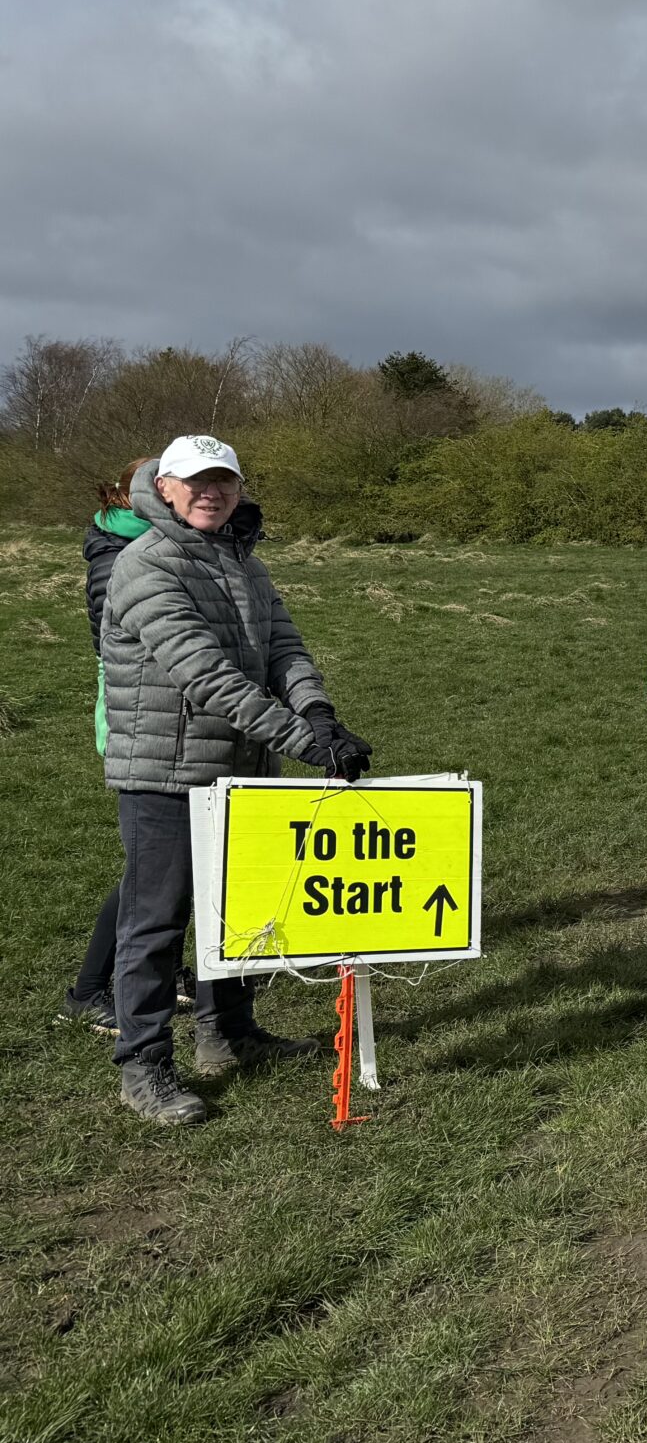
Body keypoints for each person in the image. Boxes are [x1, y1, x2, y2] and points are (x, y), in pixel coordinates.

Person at [101, 435, 370, 1125]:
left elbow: (283, 646)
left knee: (242, 913)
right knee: (156, 925)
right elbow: (206, 675)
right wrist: (306, 742)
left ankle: (229, 1034)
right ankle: (145, 1065)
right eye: (195, 481)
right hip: (166, 773)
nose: (210, 492)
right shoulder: (145, 565)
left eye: (223, 481)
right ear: (163, 487)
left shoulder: (243, 561)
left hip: (244, 772)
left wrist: (318, 710)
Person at [61, 458, 153, 1036]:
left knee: (168, 867)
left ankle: (145, 972)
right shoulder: (116, 553)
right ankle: (91, 989)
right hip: (134, 713)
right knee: (150, 869)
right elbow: (120, 638)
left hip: (163, 719)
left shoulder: (152, 541)